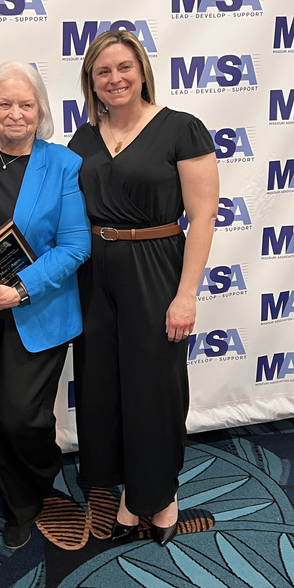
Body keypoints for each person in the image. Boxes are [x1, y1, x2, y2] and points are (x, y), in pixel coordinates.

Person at [69, 29, 219, 546]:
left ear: (142, 72)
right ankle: (127, 492)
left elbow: (202, 218)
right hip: (93, 270)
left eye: (124, 68)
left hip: (156, 265)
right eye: (103, 71)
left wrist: (186, 294)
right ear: (91, 79)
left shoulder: (181, 129)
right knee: (103, 386)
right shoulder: (83, 138)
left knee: (154, 386)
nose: (114, 79)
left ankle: (159, 494)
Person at [0, 61, 91, 550]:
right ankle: (17, 503)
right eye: (4, 104)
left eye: (26, 105)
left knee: (22, 415)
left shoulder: (62, 164)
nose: (15, 114)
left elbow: (75, 246)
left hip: (37, 308)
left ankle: (40, 482)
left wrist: (21, 288)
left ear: (41, 112)